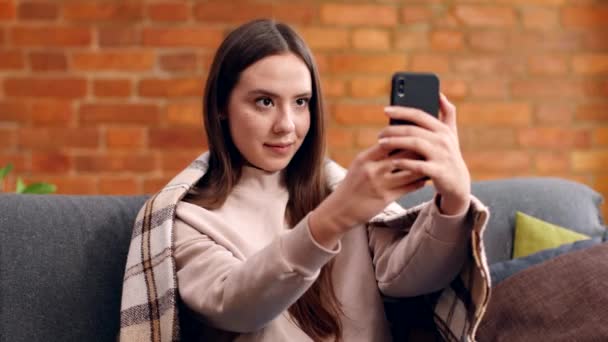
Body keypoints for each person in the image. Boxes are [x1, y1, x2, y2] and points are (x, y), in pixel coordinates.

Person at [119, 19, 491, 342]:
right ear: (220, 107)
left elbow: (409, 279)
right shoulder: (187, 218)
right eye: (264, 102)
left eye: (301, 102)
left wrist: (453, 203)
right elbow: (236, 306)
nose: (287, 125)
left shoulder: (334, 187)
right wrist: (331, 220)